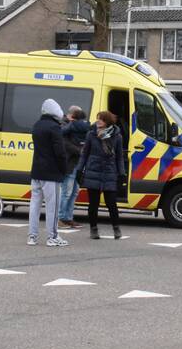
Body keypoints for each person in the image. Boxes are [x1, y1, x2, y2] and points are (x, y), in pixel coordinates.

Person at [77, 110, 125, 240]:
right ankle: (93, 229)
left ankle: (116, 228)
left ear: (107, 122)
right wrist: (79, 169)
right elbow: (84, 154)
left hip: (109, 172)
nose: (98, 121)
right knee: (93, 204)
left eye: (101, 119)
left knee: (111, 203)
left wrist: (122, 174)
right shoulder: (91, 135)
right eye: (98, 119)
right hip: (93, 171)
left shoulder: (117, 136)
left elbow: (119, 157)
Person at [28, 98, 69, 247]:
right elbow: (60, 152)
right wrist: (64, 169)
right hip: (51, 173)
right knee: (52, 206)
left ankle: (32, 236)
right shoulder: (54, 128)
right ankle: (52, 237)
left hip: (37, 171)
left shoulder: (37, 125)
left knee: (35, 205)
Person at [58, 106, 89, 228]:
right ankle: (61, 218)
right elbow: (63, 142)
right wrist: (79, 150)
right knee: (66, 191)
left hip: (78, 163)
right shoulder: (64, 125)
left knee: (74, 192)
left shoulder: (75, 126)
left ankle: (68, 218)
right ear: (71, 116)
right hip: (69, 162)